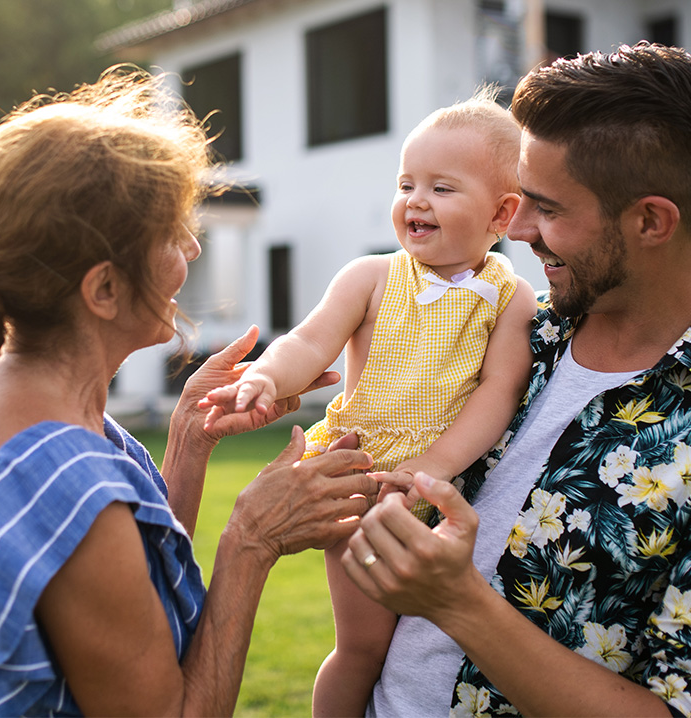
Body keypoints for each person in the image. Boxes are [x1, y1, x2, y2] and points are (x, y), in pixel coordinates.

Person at [343, 43, 691, 718]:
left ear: (651, 220)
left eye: (545, 207)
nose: (514, 228)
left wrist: (458, 603)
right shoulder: (516, 334)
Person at [0, 66, 378, 717]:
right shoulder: (60, 475)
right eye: (171, 235)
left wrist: (188, 439)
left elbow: (124, 584)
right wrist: (251, 540)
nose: (194, 249)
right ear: (104, 290)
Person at [199, 92, 536, 715]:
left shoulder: (509, 300)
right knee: (363, 647)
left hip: (443, 487)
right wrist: (269, 376)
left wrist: (432, 467)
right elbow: (309, 339)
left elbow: (498, 394)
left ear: (503, 212)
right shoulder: (371, 278)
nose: (415, 200)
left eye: (441, 187)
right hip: (362, 484)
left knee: (436, 645)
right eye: (406, 182)